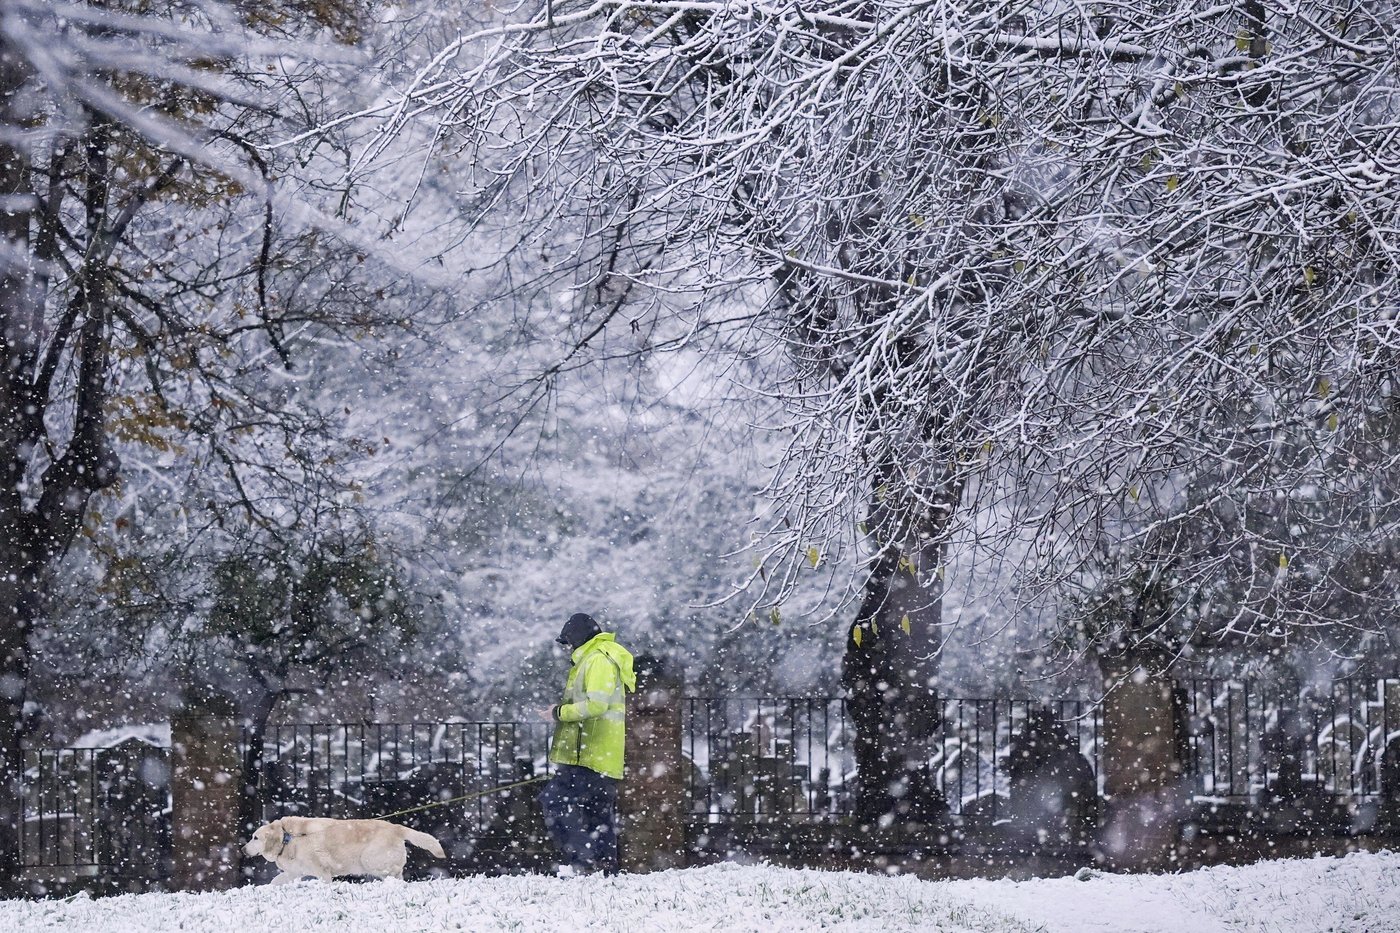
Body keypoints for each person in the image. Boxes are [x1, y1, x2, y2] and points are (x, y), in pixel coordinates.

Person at [538, 612, 635, 875]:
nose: (568, 648)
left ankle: (581, 861)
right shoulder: (599, 658)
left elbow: (597, 705)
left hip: (590, 753)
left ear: (578, 638)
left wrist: (559, 713)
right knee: (598, 813)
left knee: (554, 800)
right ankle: (605, 868)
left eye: (569, 642)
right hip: (601, 754)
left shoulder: (597, 660)